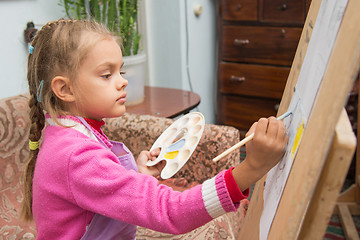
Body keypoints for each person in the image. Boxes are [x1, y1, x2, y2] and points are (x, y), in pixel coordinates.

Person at [22, 19, 288, 239]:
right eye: (107, 75)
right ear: (65, 89)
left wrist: (137, 174)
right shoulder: (76, 155)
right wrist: (251, 168)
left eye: (121, 72)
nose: (122, 82)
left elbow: (98, 193)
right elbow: (168, 211)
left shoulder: (69, 131)